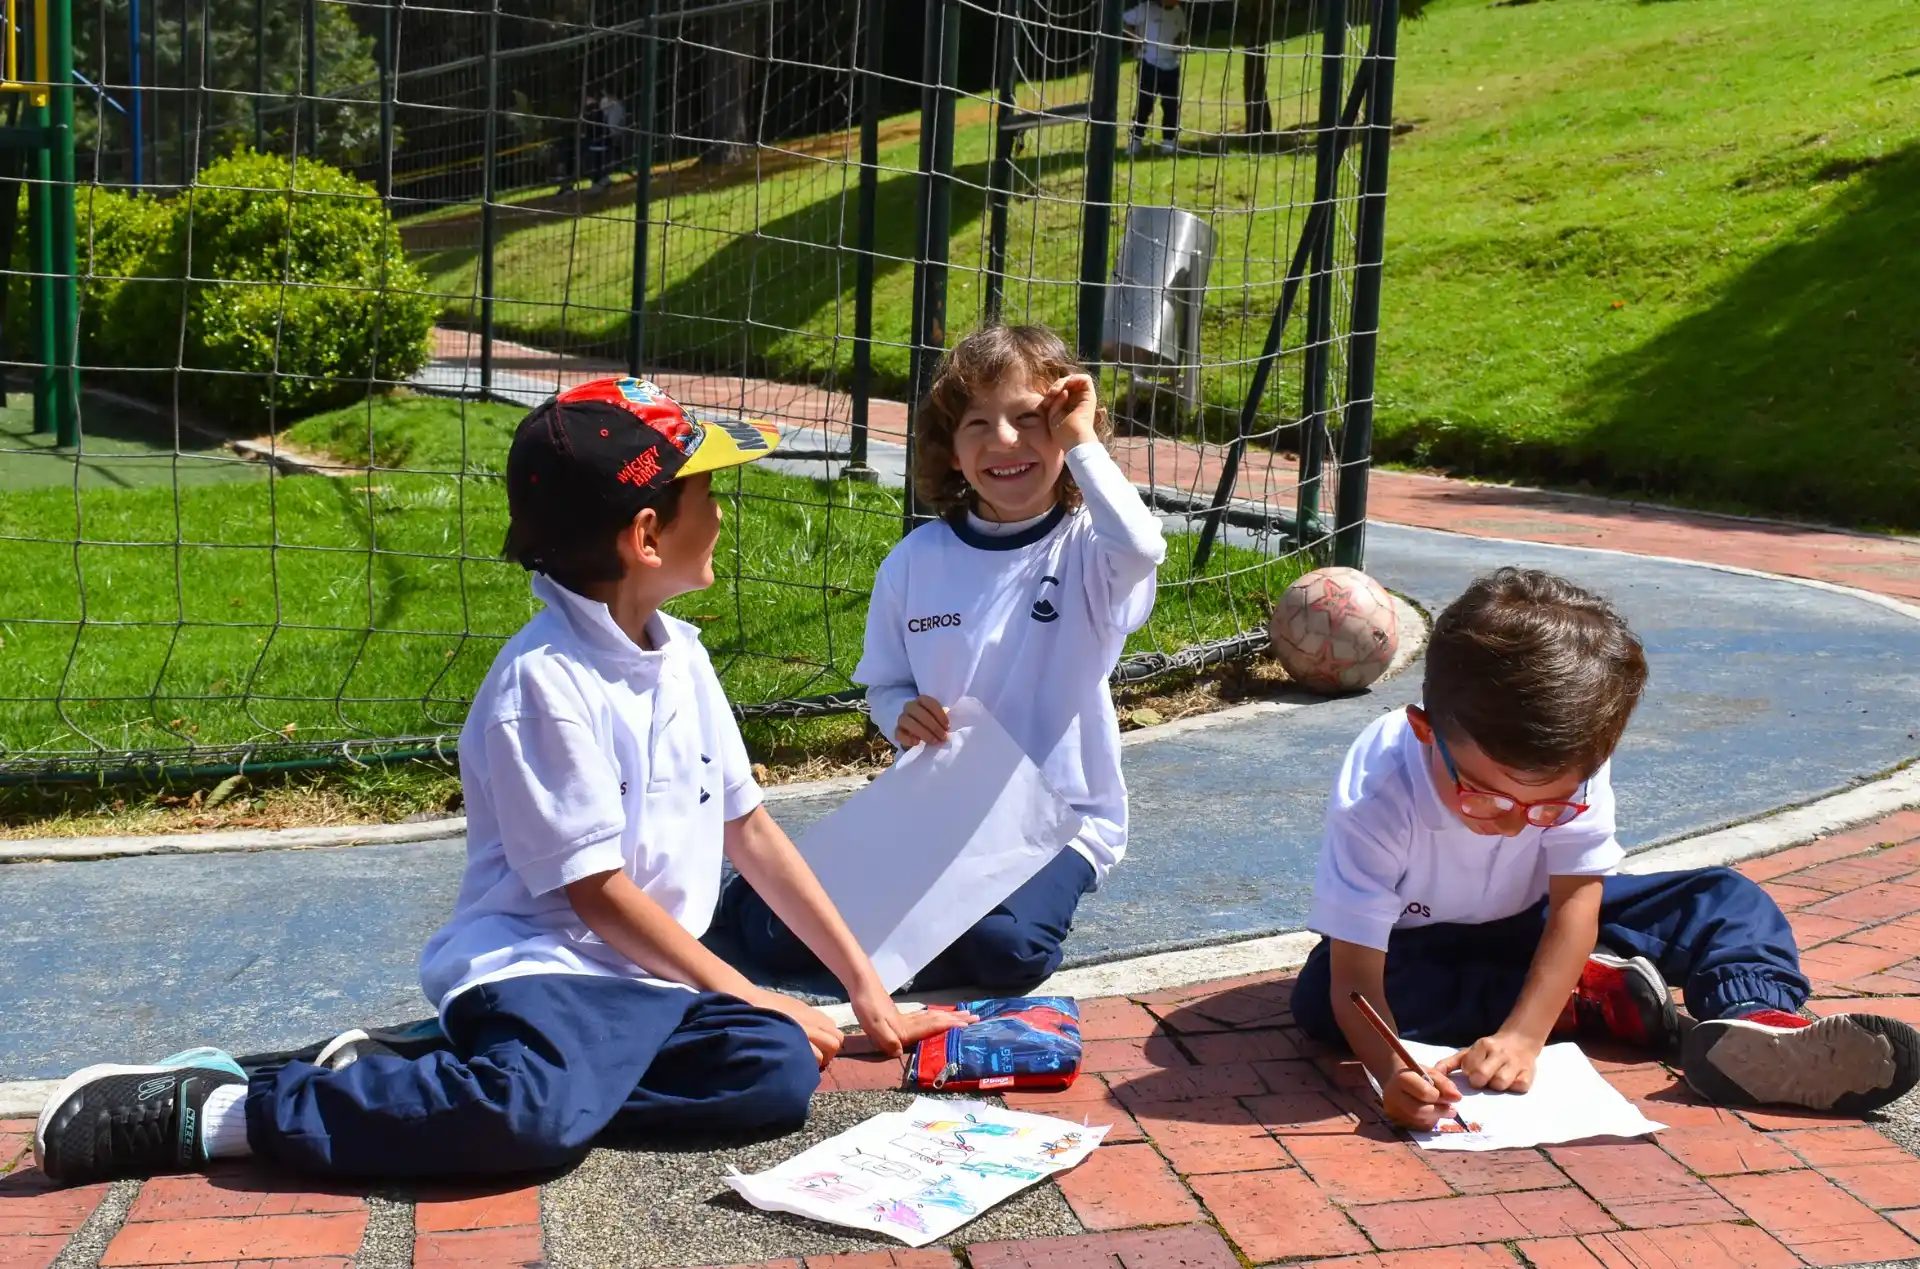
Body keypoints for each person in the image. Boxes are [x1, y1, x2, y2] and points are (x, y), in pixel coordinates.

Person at [33, 378, 968, 1187]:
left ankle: (426, 1079)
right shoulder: (542, 687)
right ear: (647, 534)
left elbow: (752, 832)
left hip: (643, 986)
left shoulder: (683, 656)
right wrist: (753, 990)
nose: (723, 512)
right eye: (709, 493)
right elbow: (597, 897)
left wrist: (862, 986)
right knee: (532, 1122)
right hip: (542, 971)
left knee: (772, 1072)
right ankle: (236, 1108)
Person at [1292, 567, 1920, 1129]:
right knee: (1325, 998)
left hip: (1539, 916)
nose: (1515, 826)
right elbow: (1356, 974)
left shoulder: (1576, 751)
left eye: (1547, 806)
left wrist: (1523, 1036)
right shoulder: (1378, 788)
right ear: (1426, 732)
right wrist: (1390, 1076)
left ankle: (1752, 1016)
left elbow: (1575, 904)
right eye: (1485, 797)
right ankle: (1586, 991)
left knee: (1725, 900)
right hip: (1413, 942)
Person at [720, 325, 1166, 991]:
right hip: (939, 813)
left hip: (1060, 820)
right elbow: (886, 684)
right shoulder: (916, 561)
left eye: (1030, 418)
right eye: (978, 424)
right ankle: (766, 898)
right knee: (769, 933)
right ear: (952, 452)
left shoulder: (1090, 555)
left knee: (1008, 949)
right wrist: (901, 713)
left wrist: (1081, 441)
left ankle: (903, 929)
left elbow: (1142, 545)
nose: (1005, 442)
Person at [1123, 0, 1187, 156]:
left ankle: (1168, 141)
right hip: (1149, 64)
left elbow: (1181, 33)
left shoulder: (1178, 12)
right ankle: (1136, 140)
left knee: (1170, 105)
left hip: (1171, 66)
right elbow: (1122, 20)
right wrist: (1135, 40)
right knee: (1145, 104)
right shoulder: (1145, 9)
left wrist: (1179, 46)